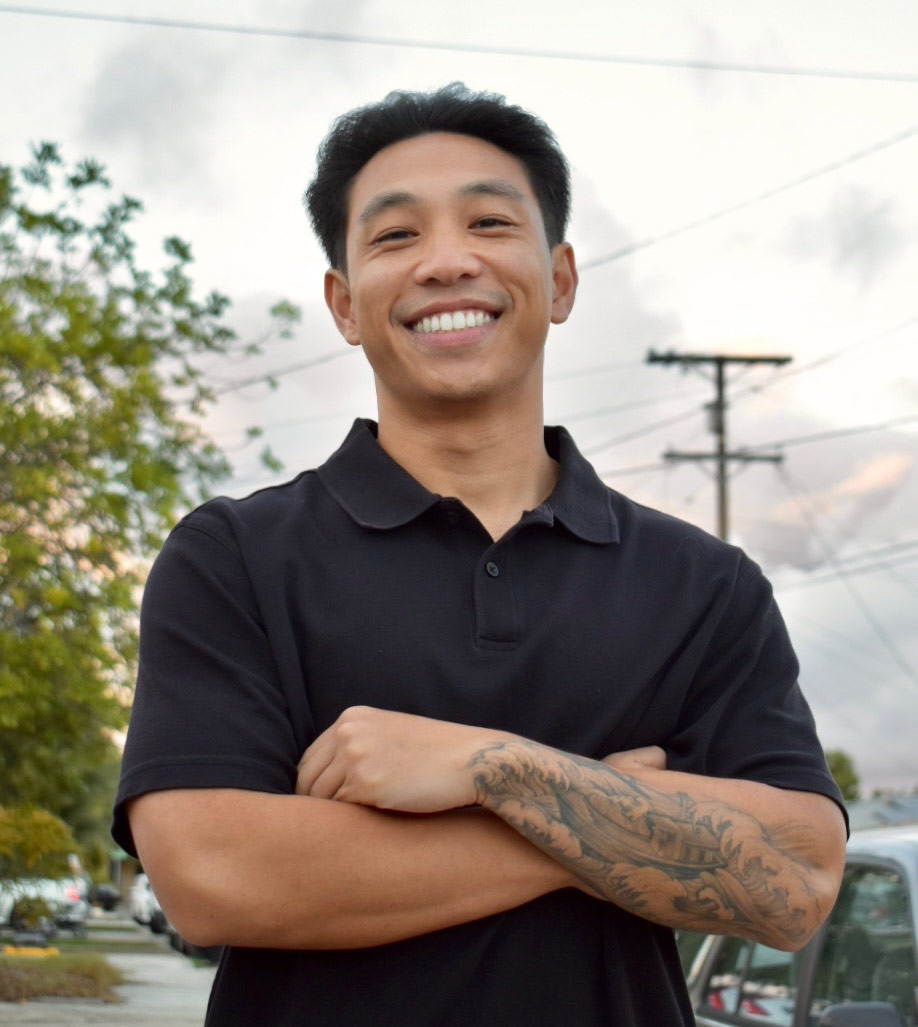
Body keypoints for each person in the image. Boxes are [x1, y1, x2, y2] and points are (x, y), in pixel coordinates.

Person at [113, 83, 847, 1026]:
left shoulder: (706, 586)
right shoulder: (234, 558)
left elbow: (796, 880)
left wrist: (494, 767)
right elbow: (213, 877)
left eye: (490, 223)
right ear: (344, 303)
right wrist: (613, 813)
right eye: (395, 236)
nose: (447, 261)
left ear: (562, 280)